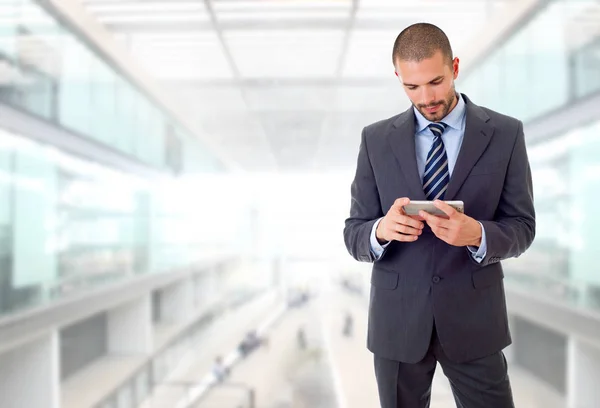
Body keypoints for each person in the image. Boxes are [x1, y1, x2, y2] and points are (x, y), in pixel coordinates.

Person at [343, 23, 535, 408]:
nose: (426, 97)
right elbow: (354, 233)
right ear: (399, 78)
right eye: (412, 87)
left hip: (474, 322)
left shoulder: (505, 133)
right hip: (397, 324)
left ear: (456, 67)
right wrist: (381, 230)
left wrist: (478, 234)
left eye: (435, 81)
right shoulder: (375, 140)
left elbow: (523, 227)